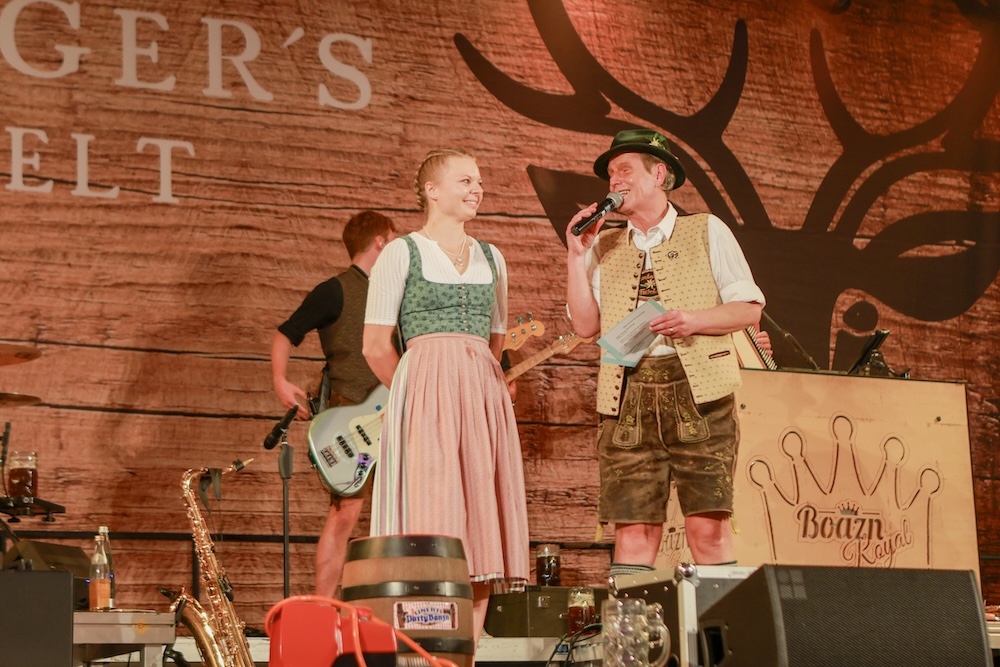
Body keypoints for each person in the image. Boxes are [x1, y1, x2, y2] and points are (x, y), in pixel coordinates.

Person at [565, 129, 766, 579]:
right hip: (628, 396)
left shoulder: (706, 230)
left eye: (625, 170)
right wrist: (576, 257)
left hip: (698, 391)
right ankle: (633, 624)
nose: (615, 181)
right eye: (610, 174)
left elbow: (748, 309)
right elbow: (585, 326)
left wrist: (694, 320)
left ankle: (717, 623)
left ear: (659, 175)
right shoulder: (605, 244)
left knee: (707, 529)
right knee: (633, 531)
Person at [362, 149, 529, 649]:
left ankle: (466, 656)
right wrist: (415, 395)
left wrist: (478, 388)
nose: (477, 189)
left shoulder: (493, 258)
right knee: (431, 517)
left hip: (480, 398)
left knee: (480, 522)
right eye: (465, 180)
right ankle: (424, 652)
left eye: (479, 181)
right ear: (432, 191)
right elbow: (375, 345)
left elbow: (495, 339)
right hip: (424, 396)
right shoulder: (402, 253)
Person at [270, 210, 397, 598]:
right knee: (346, 513)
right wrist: (280, 381)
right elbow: (285, 334)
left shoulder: (397, 292)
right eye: (394, 240)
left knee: (401, 512)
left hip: (399, 413)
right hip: (353, 413)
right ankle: (323, 608)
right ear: (380, 242)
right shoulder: (336, 290)